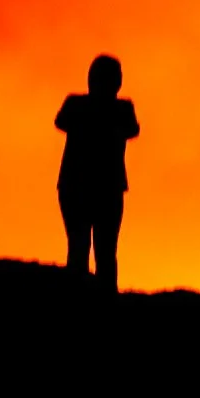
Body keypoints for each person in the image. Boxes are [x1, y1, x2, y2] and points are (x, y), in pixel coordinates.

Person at [55, 54, 140, 291]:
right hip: (83, 187)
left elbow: (132, 129)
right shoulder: (79, 104)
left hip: (99, 187)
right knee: (82, 248)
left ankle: (100, 300)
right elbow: (61, 121)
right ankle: (89, 299)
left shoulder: (120, 108)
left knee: (103, 251)